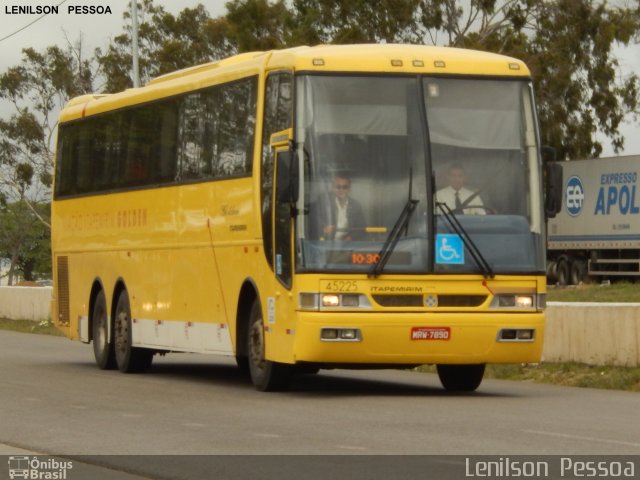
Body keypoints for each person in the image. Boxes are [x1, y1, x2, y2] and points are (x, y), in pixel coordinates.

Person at [313, 173, 366, 241]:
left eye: (345, 187)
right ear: (333, 188)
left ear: (349, 189)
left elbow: (362, 229)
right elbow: (313, 222)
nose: (341, 190)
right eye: (338, 187)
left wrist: (351, 238)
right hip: (326, 243)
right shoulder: (324, 203)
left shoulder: (356, 206)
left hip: (348, 246)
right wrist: (323, 229)